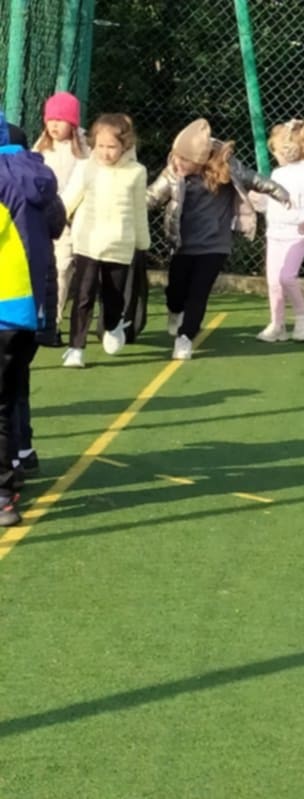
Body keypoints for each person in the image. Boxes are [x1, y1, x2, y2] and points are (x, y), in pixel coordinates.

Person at [146, 118, 290, 360]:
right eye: (176, 156)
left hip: (215, 246)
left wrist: (280, 192)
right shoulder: (173, 172)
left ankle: (185, 337)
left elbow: (255, 179)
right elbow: (152, 196)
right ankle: (174, 311)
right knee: (176, 290)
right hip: (183, 244)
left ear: (199, 160)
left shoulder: (227, 168)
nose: (177, 162)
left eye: (184, 160)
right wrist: (127, 208)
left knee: (199, 293)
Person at [0, 110, 63, 525]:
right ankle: (20, 457)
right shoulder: (38, 177)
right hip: (28, 308)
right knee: (12, 391)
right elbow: (56, 224)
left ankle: (4, 492)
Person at [60, 113, 150, 367]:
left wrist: (142, 243)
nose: (105, 152)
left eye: (112, 147)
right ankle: (75, 348)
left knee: (113, 296)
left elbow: (138, 211)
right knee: (83, 296)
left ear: (125, 146)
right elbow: (69, 199)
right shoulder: (85, 168)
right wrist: (52, 221)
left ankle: (113, 324)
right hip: (87, 242)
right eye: (100, 146)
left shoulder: (136, 172)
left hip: (119, 245)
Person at [255, 118, 304, 343]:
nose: (274, 155)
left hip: (296, 234)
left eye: (276, 150)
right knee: (273, 281)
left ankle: (303, 316)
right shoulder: (278, 174)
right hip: (275, 233)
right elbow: (271, 203)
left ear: (288, 150)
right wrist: (258, 200)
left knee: (286, 277)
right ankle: (277, 324)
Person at [33, 91, 89, 342]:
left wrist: (65, 211)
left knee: (62, 267)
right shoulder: (41, 147)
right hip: (41, 219)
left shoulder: (83, 151)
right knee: (41, 268)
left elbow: (82, 185)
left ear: (73, 123)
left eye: (61, 119)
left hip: (68, 221)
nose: (54, 125)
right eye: (50, 119)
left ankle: (53, 323)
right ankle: (38, 319)